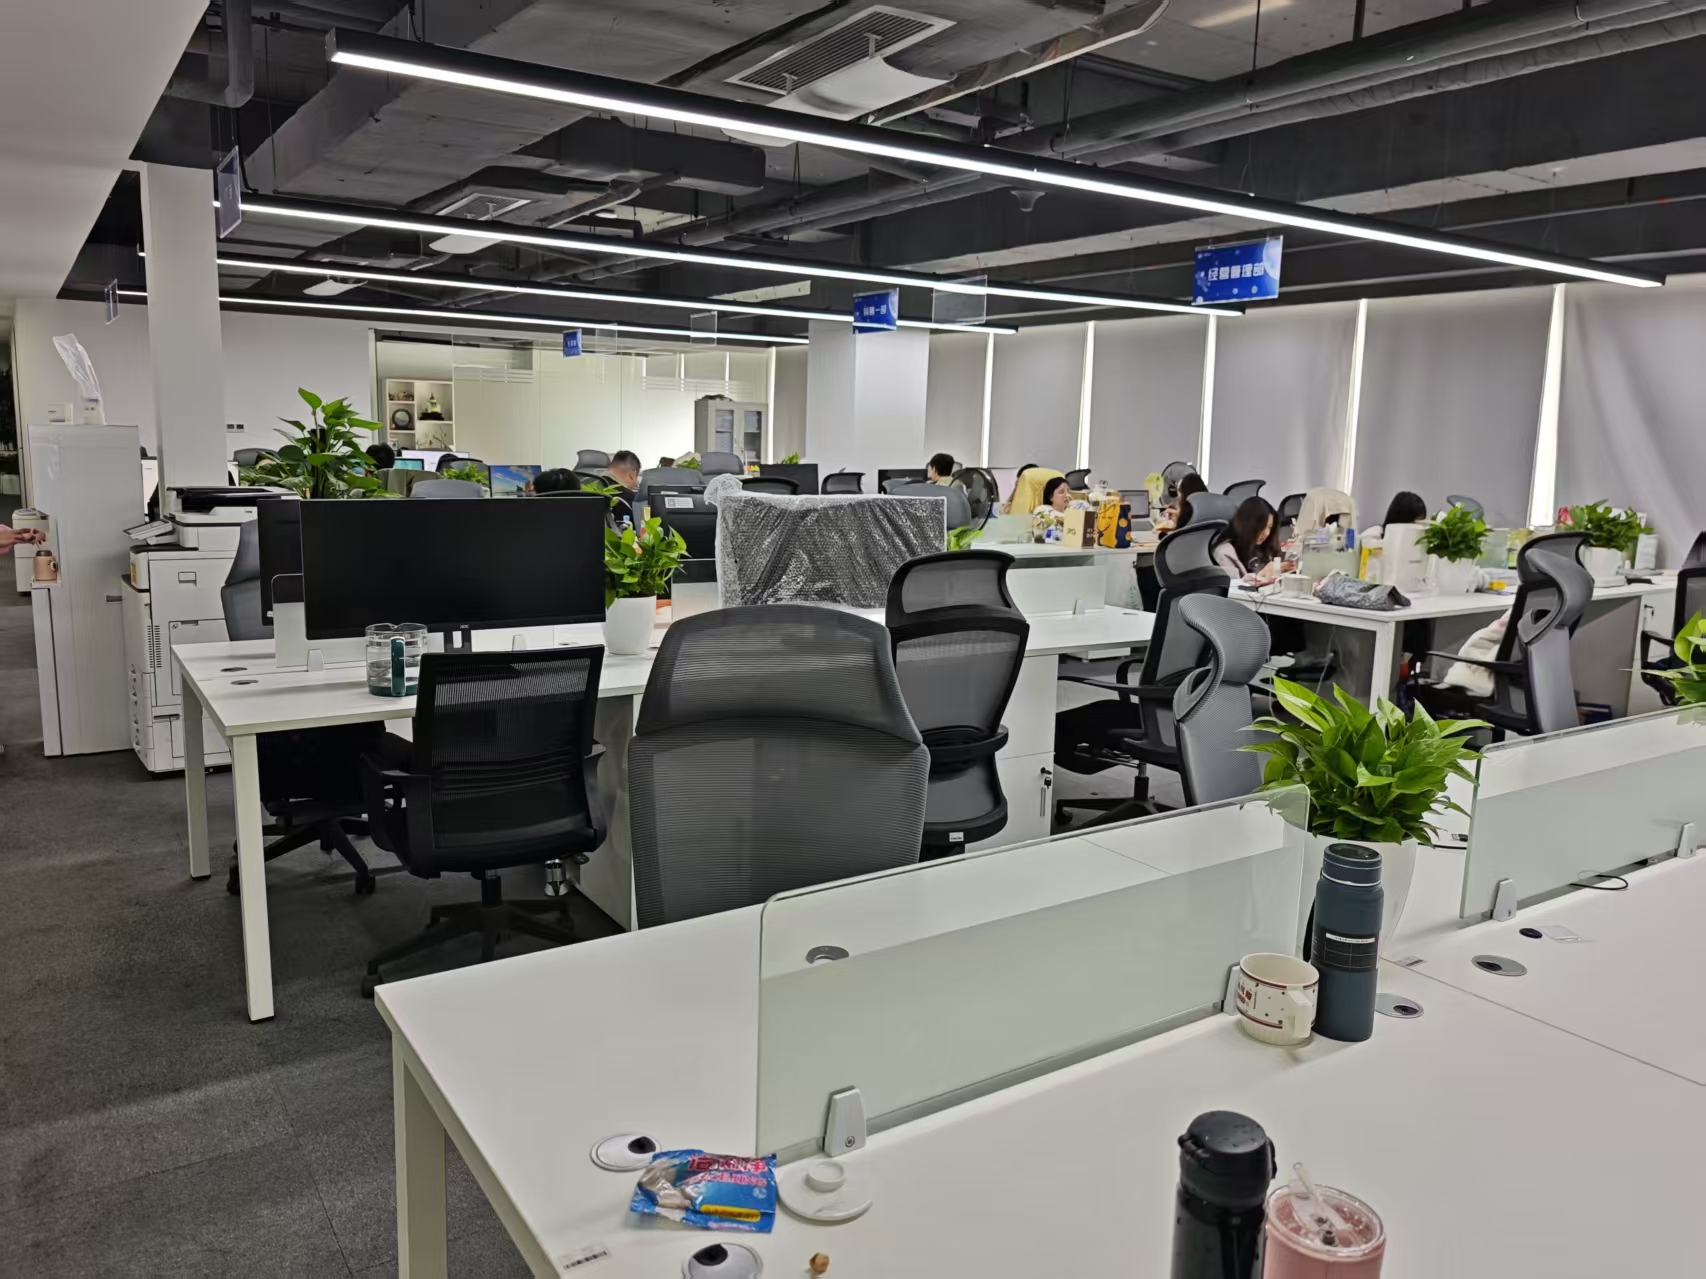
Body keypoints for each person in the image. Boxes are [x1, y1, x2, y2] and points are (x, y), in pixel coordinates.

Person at [1214, 497, 1286, 582]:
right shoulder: (1224, 553)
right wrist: (1260, 576)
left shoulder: (1261, 547)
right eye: (1262, 527)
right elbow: (1231, 587)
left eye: (1269, 527)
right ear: (1247, 525)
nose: (1266, 533)